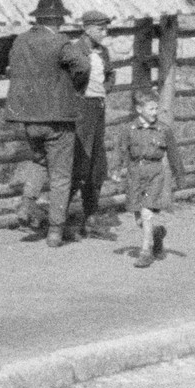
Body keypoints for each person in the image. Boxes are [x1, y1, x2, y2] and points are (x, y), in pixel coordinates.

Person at [3, 0, 93, 244]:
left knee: (40, 161)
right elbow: (83, 66)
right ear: (58, 20)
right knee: (61, 175)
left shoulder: (20, 41)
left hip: (28, 119)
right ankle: (55, 230)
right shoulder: (61, 43)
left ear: (38, 18)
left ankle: (26, 202)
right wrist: (74, 86)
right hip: (58, 118)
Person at [116, 87, 181, 267]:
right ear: (139, 109)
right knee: (140, 219)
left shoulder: (163, 130)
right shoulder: (128, 129)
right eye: (151, 109)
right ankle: (157, 233)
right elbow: (121, 151)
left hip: (155, 174)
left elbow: (174, 154)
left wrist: (179, 176)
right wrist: (116, 169)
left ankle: (146, 251)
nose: (155, 112)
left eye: (156, 108)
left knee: (146, 213)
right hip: (135, 175)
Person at [72, 12, 117, 238]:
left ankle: (90, 217)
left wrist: (104, 89)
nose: (104, 33)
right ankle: (60, 221)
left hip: (98, 108)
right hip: (82, 111)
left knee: (97, 164)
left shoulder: (103, 52)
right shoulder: (75, 50)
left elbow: (110, 75)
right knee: (81, 161)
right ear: (88, 29)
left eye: (105, 28)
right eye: (100, 29)